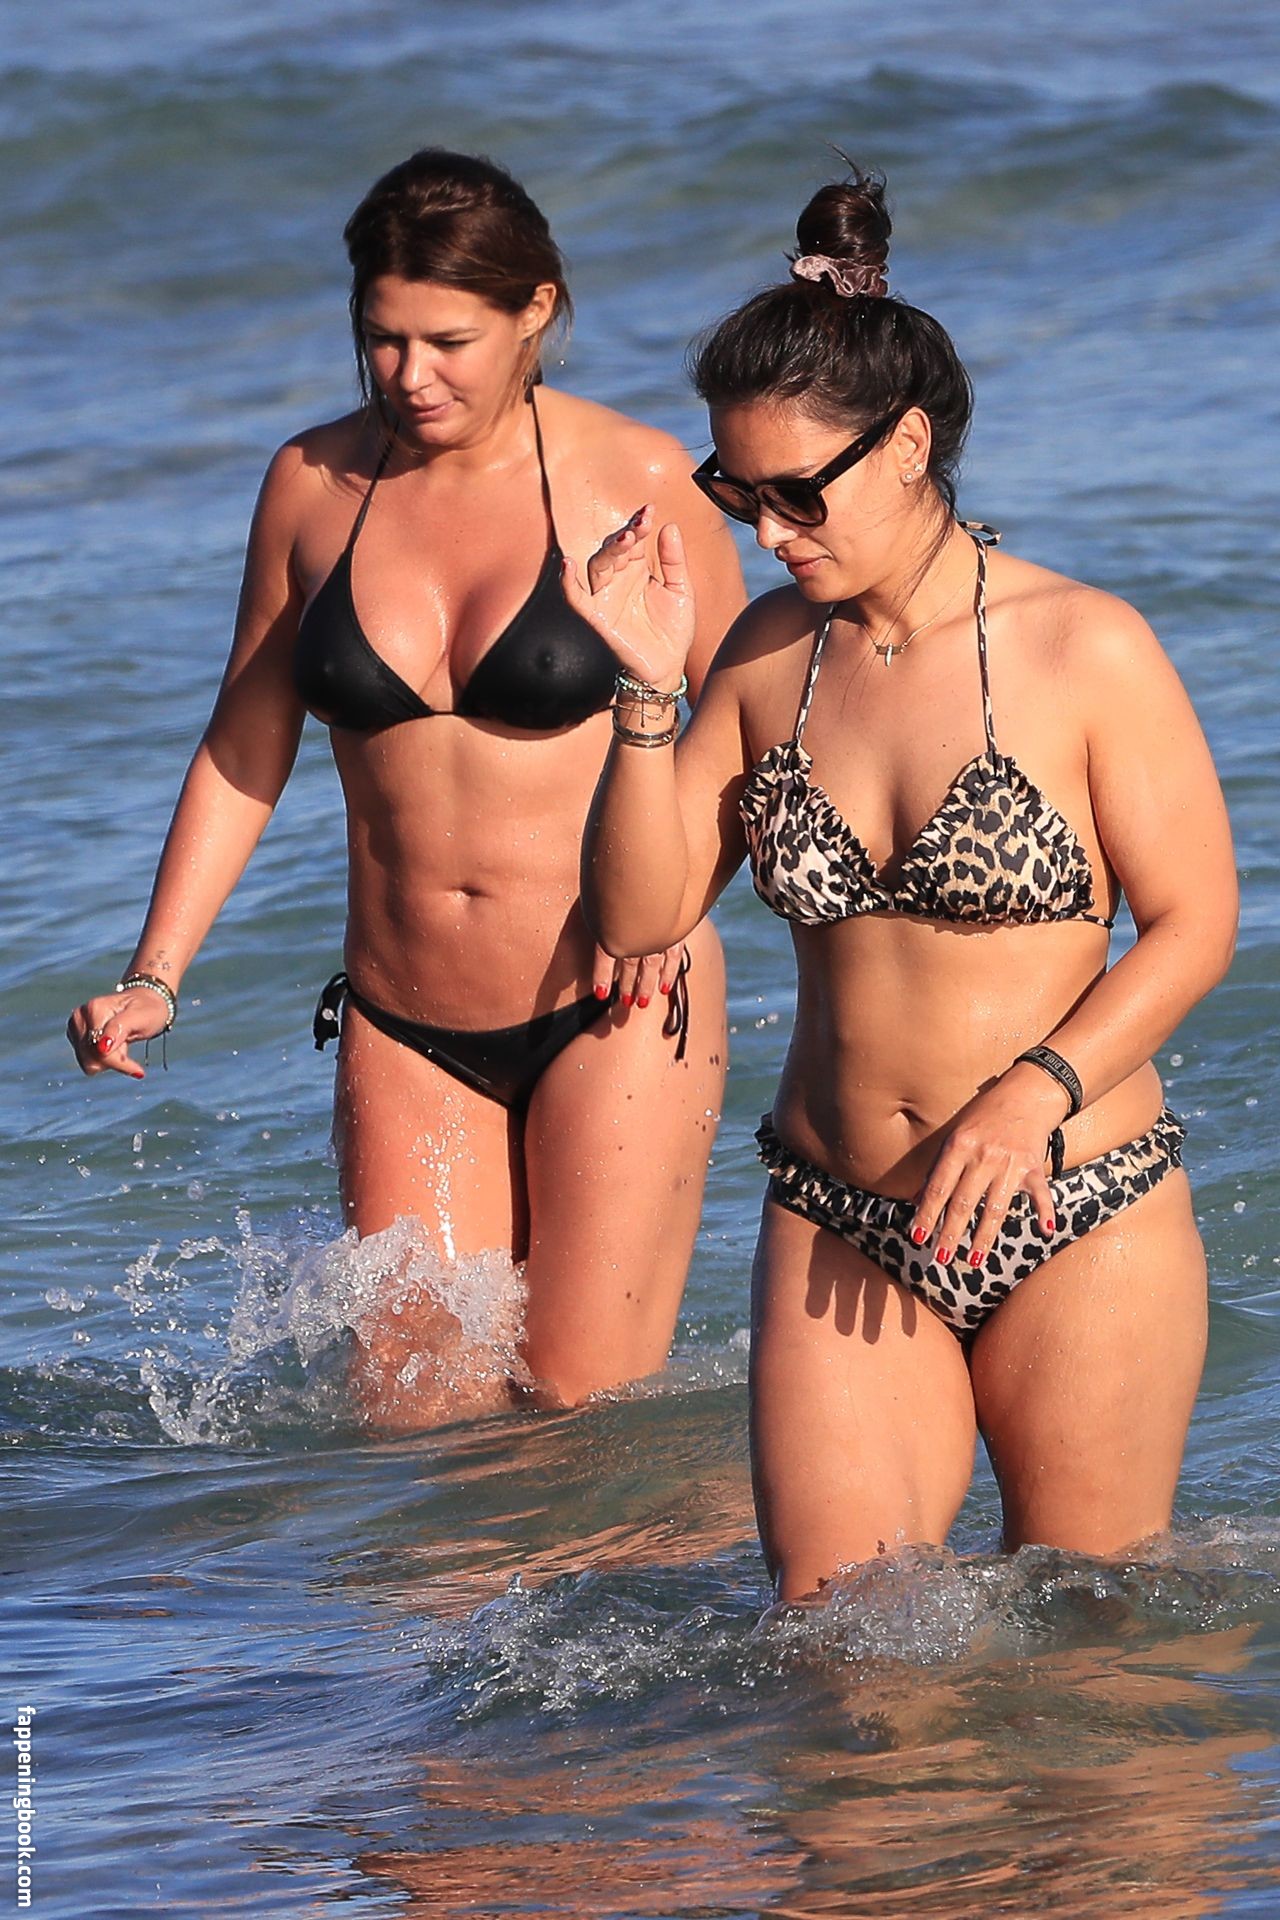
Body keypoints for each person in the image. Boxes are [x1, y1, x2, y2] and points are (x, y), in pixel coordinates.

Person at [572, 169, 1237, 1603]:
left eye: (795, 494)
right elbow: (636, 921)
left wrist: (1034, 1091)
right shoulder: (764, 658)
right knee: (842, 1661)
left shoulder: (1083, 647)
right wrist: (640, 691)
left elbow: (1195, 926)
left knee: (1095, 1658)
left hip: (1077, 1203)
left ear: (909, 443)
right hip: (840, 1215)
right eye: (736, 495)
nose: (767, 532)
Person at [66, 148, 744, 1431]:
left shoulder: (638, 477)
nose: (409, 376)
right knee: (414, 1424)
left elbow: (749, 724)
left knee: (579, 1410)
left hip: (613, 1002)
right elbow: (244, 742)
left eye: (447, 342)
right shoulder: (310, 487)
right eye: (382, 339)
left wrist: (669, 901)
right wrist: (156, 974)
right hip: (402, 1017)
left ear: (535, 310)